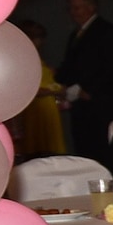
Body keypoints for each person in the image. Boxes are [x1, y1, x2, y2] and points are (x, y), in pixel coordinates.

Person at [55, 0, 113, 163]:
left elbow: (111, 67)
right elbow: (71, 65)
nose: (73, 12)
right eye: (71, 8)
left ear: (91, 7)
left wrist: (87, 89)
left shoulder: (107, 31)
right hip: (82, 105)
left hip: (104, 102)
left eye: (77, 8)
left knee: (104, 150)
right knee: (85, 149)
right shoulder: (76, 34)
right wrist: (57, 80)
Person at [14, 19, 65, 157]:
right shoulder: (23, 60)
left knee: (48, 150)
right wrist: (53, 90)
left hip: (47, 110)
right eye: (37, 37)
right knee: (37, 151)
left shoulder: (36, 58)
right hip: (35, 110)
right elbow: (26, 87)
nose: (40, 42)